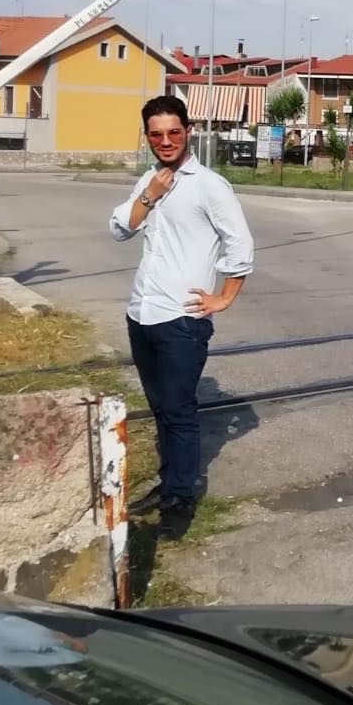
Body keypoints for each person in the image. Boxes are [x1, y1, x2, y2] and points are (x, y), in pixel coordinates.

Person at [109, 95, 254, 536]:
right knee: (161, 409)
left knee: (179, 410)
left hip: (182, 320)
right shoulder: (149, 180)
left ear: (188, 131)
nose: (166, 140)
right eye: (156, 133)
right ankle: (170, 483)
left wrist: (223, 298)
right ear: (147, 136)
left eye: (174, 132)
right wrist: (150, 196)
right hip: (142, 313)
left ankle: (180, 498)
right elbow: (119, 228)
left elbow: (240, 245)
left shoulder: (209, 185)